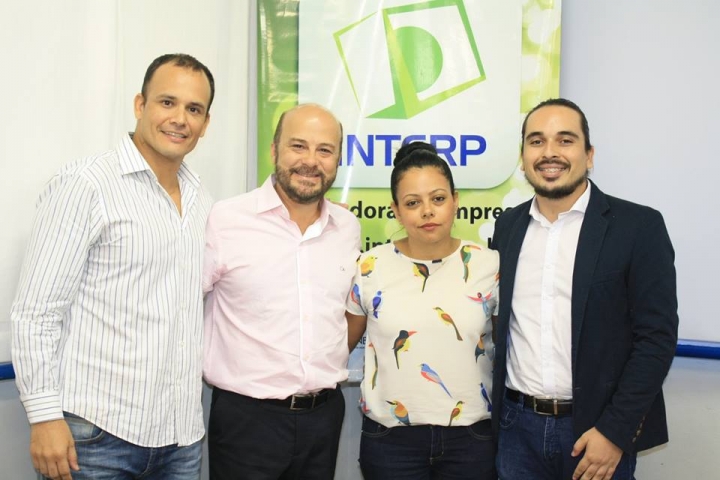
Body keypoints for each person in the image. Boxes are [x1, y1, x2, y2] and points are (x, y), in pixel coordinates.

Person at [11, 53, 215, 480]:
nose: (180, 119)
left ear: (205, 123)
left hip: (180, 438)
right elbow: (36, 312)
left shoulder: (202, 200)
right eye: (167, 102)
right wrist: (44, 416)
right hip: (94, 439)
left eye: (194, 109)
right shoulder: (86, 185)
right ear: (140, 105)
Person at [491, 98, 678, 480]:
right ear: (523, 157)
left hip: (597, 432)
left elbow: (656, 339)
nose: (549, 152)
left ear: (589, 155)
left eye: (565, 140)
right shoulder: (507, 228)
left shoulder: (638, 227)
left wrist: (615, 432)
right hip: (515, 431)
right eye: (536, 141)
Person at [202, 103, 361, 479]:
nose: (311, 161)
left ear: (338, 160)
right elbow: (180, 307)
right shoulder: (226, 220)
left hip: (324, 418)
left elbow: (348, 312)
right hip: (246, 421)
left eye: (325, 150)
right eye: (298, 146)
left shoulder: (347, 227)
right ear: (274, 150)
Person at [346, 141, 499, 479]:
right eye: (413, 203)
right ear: (396, 210)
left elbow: (510, 347)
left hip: (471, 438)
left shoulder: (488, 264)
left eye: (438, 199)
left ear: (455, 200)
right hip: (390, 441)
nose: (427, 212)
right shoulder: (370, 266)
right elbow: (340, 345)